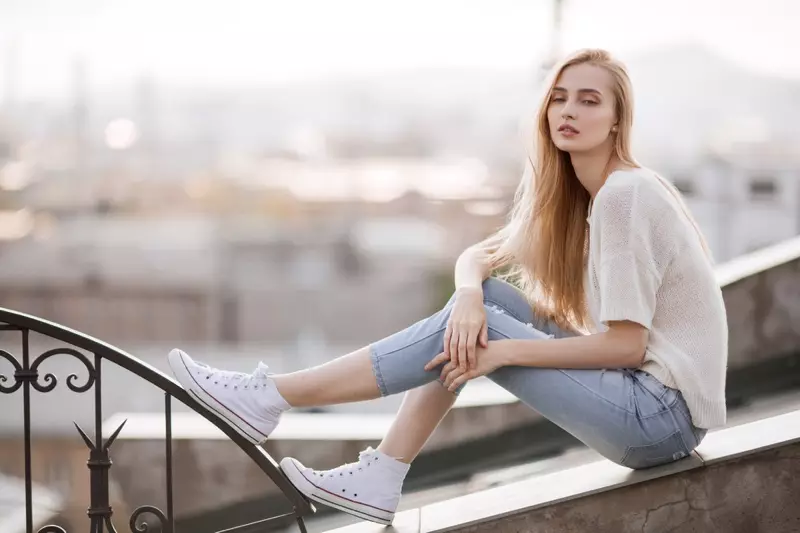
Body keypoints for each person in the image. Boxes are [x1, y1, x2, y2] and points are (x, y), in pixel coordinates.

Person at [167, 48, 728, 526]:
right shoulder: (585, 196)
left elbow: (627, 346)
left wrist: (501, 349)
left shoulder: (624, 196)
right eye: (559, 97)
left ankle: (272, 398)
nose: (568, 110)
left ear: (615, 120)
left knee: (479, 331)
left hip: (658, 419)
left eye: (589, 99)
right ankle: (381, 474)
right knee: (484, 305)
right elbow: (478, 257)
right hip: (647, 406)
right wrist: (466, 298)